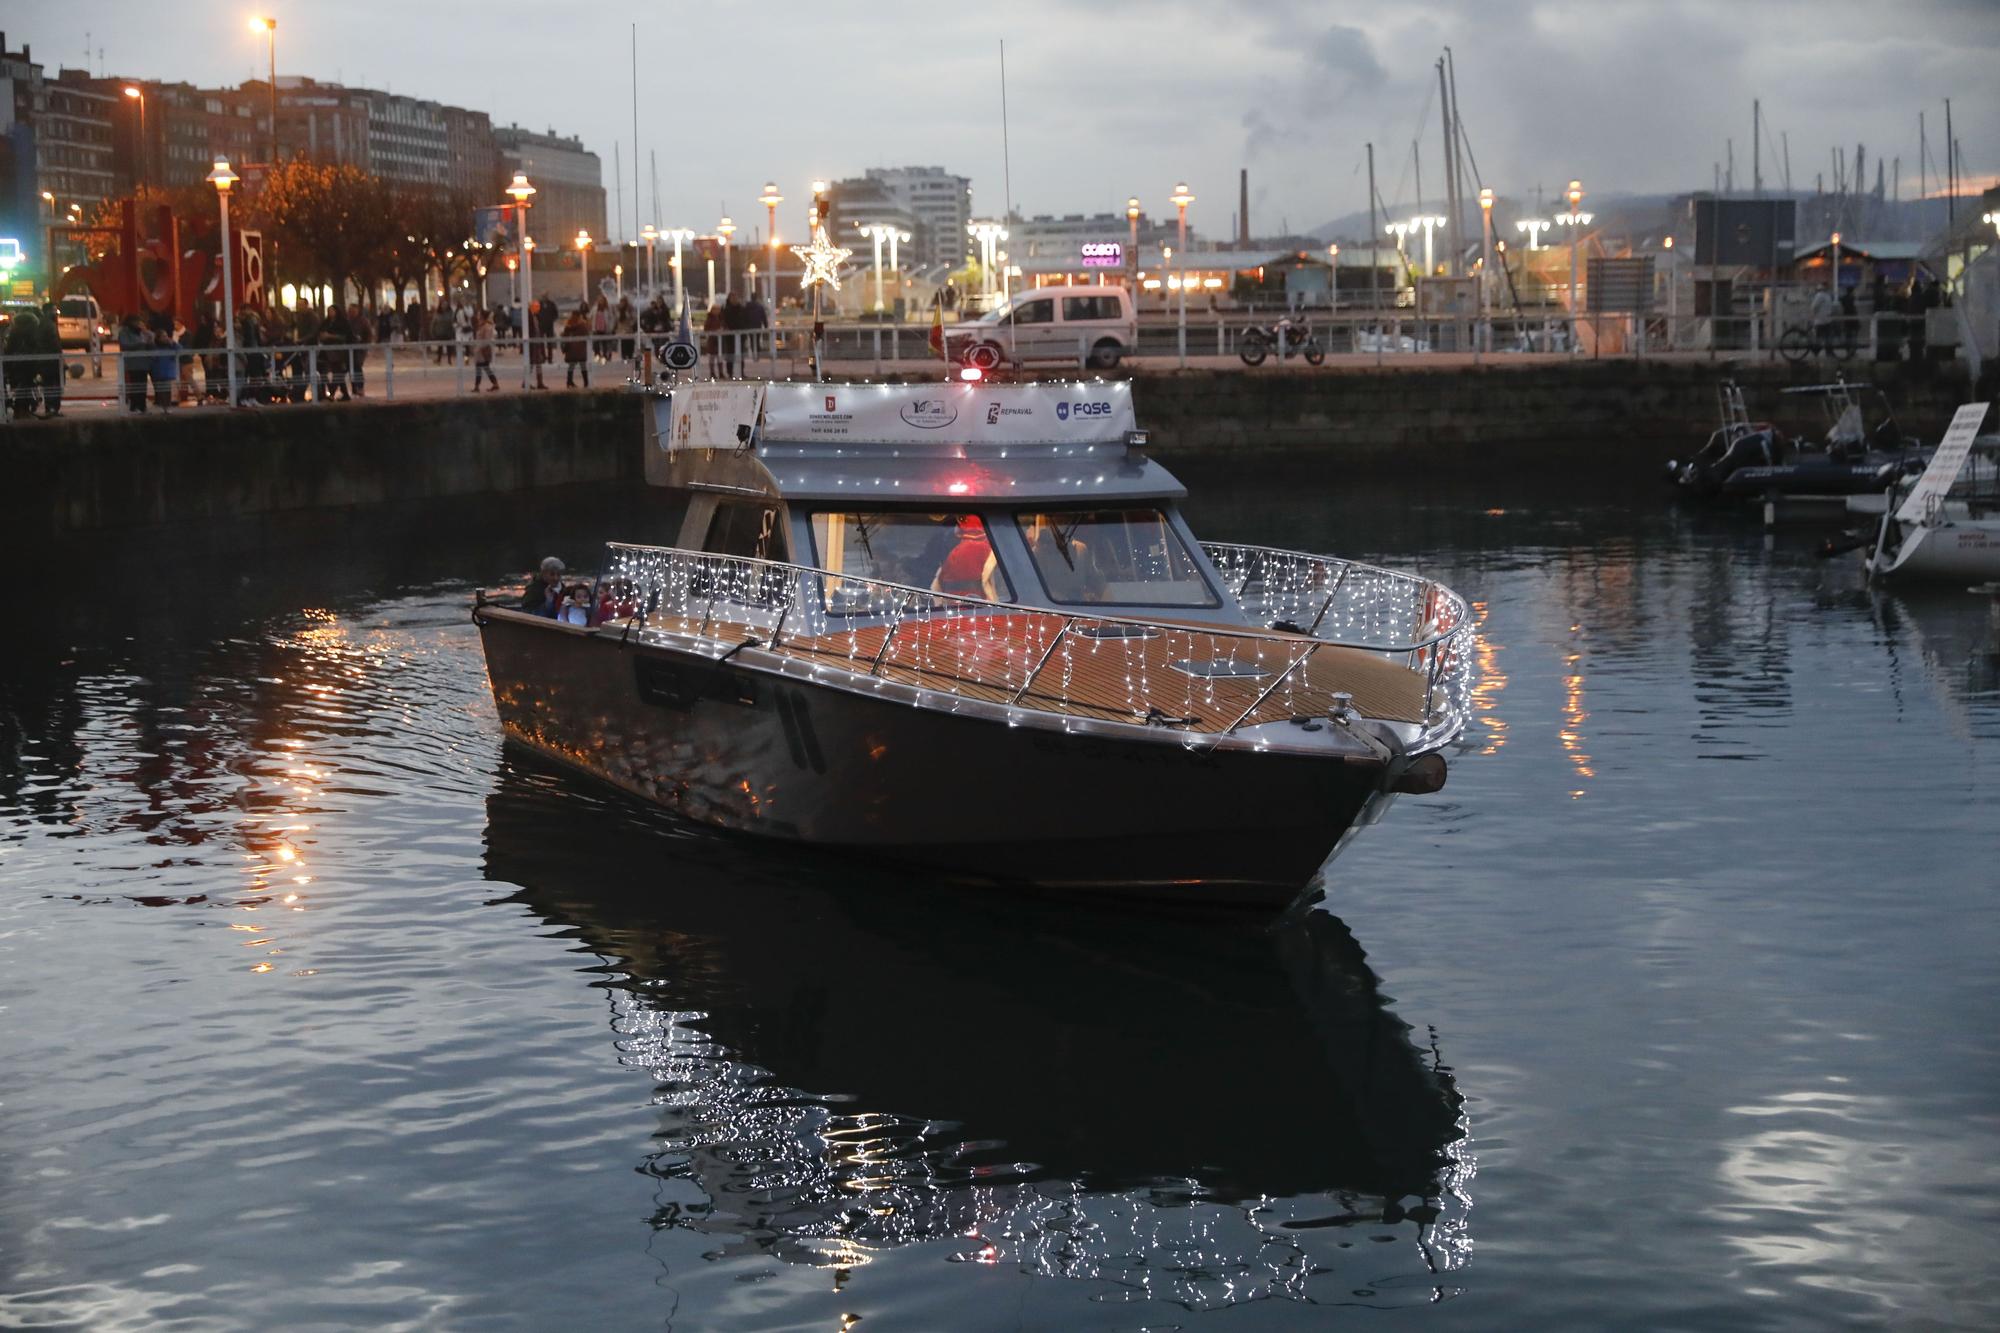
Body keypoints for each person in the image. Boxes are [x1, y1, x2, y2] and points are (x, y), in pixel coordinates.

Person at [933, 515, 1002, 600]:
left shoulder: (955, 551)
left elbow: (937, 584)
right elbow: (988, 584)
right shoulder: (986, 548)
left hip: (953, 606)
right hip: (978, 607)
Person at [5, 309, 41, 418]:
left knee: (20, 387)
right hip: (28, 365)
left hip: (15, 365)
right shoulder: (33, 332)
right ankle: (24, 410)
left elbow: (9, 349)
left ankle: (20, 410)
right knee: (27, 386)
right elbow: (36, 346)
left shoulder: (14, 332)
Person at [116, 312, 153, 412]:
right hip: (132, 363)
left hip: (143, 363)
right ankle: (134, 405)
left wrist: (147, 334)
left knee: (143, 384)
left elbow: (151, 340)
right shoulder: (124, 332)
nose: (138, 324)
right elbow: (124, 345)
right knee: (135, 384)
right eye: (136, 321)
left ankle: (142, 405)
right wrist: (139, 344)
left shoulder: (141, 332)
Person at [33, 304, 65, 416]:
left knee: (49, 385)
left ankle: (50, 409)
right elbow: (55, 344)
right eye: (54, 310)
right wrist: (61, 359)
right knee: (54, 384)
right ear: (47, 311)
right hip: (51, 361)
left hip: (47, 360)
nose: (56, 313)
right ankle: (53, 409)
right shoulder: (49, 325)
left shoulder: (43, 323)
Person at [561, 306, 590, 387]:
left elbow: (564, 336)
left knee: (571, 365)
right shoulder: (582, 325)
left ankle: (569, 382)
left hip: (571, 349)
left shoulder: (568, 325)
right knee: (583, 366)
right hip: (580, 349)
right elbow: (586, 335)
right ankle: (586, 382)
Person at [721, 291, 748, 378]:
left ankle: (741, 372)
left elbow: (744, 320)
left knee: (741, 355)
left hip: (740, 336)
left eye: (736, 297)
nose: (735, 299)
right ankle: (730, 373)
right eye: (733, 298)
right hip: (730, 337)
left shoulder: (741, 309)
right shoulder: (726, 309)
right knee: (730, 355)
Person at [472, 308, 499, 390]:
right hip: (480, 350)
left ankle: (477, 386)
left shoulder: (486, 327)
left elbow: (487, 339)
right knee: (485, 368)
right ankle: (494, 383)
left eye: (479, 315)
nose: (478, 316)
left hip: (483, 350)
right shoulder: (481, 326)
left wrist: (482, 348)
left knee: (480, 367)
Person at [525, 298, 549, 389]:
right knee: (531, 362)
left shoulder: (535, 316)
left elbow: (538, 329)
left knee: (538, 362)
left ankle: (540, 382)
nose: (539, 308)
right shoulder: (528, 316)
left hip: (537, 342)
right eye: (537, 307)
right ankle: (527, 381)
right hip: (532, 343)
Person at [702, 301, 724, 378]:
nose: (717, 311)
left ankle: (721, 372)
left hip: (720, 340)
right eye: (715, 309)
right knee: (712, 357)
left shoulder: (721, 318)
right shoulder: (709, 319)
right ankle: (712, 372)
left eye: (718, 309)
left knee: (720, 356)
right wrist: (714, 331)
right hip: (712, 340)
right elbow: (706, 329)